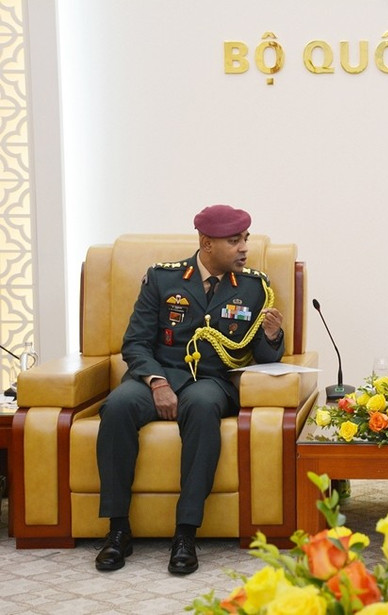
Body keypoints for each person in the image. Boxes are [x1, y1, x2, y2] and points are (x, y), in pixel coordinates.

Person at [94, 204, 285, 574]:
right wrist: (157, 382)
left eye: (245, 239)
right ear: (207, 243)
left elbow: (261, 358)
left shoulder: (254, 287)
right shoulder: (162, 279)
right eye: (235, 241)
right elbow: (135, 343)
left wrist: (272, 336)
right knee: (117, 406)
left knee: (200, 405)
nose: (244, 248)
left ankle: (185, 532)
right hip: (157, 375)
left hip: (211, 381)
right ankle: (117, 530)